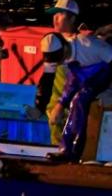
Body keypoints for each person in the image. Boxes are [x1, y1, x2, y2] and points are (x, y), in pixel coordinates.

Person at [39, 32, 112, 162]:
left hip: (105, 72)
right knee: (74, 99)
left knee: (80, 98)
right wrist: (59, 105)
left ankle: (73, 150)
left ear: (65, 47)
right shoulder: (60, 55)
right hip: (87, 76)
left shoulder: (90, 46)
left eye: (59, 59)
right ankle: (66, 149)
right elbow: (71, 81)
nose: (59, 62)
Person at [33, 0, 80, 143]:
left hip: (69, 107)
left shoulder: (80, 45)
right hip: (53, 105)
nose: (55, 18)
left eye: (60, 15)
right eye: (54, 14)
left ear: (72, 19)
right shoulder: (52, 42)